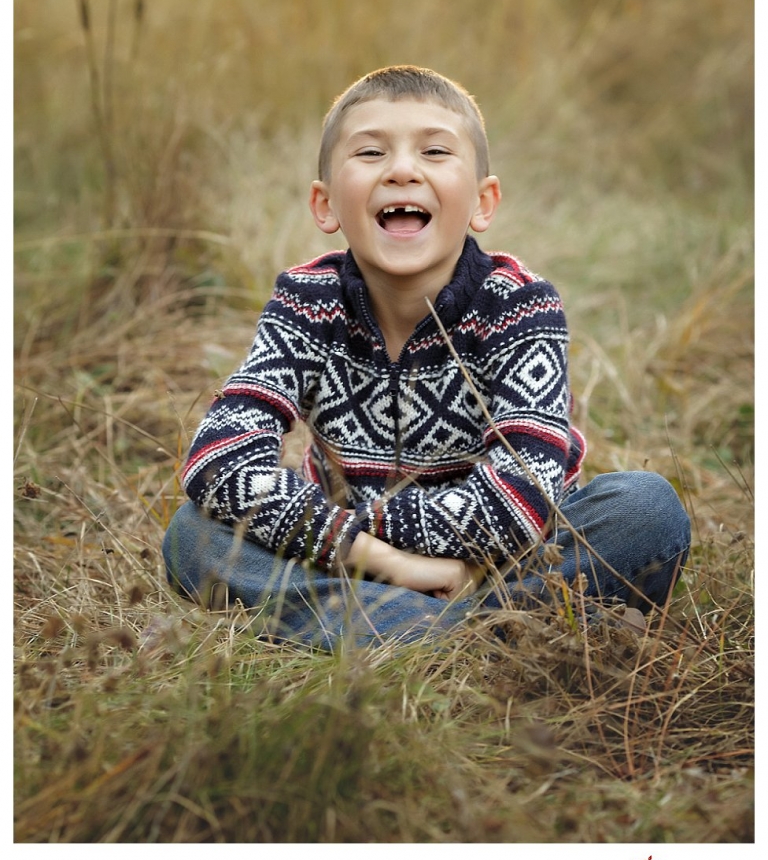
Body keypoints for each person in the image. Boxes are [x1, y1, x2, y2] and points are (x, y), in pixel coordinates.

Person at [163, 65, 690, 650]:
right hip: (355, 561)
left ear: (483, 202)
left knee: (646, 509)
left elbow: (525, 494)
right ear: (326, 204)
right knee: (194, 535)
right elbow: (218, 459)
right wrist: (389, 563)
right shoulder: (306, 303)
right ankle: (465, 636)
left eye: (435, 151)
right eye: (370, 153)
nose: (403, 170)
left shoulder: (519, 307)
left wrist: (386, 546)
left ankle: (410, 632)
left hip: (496, 565)